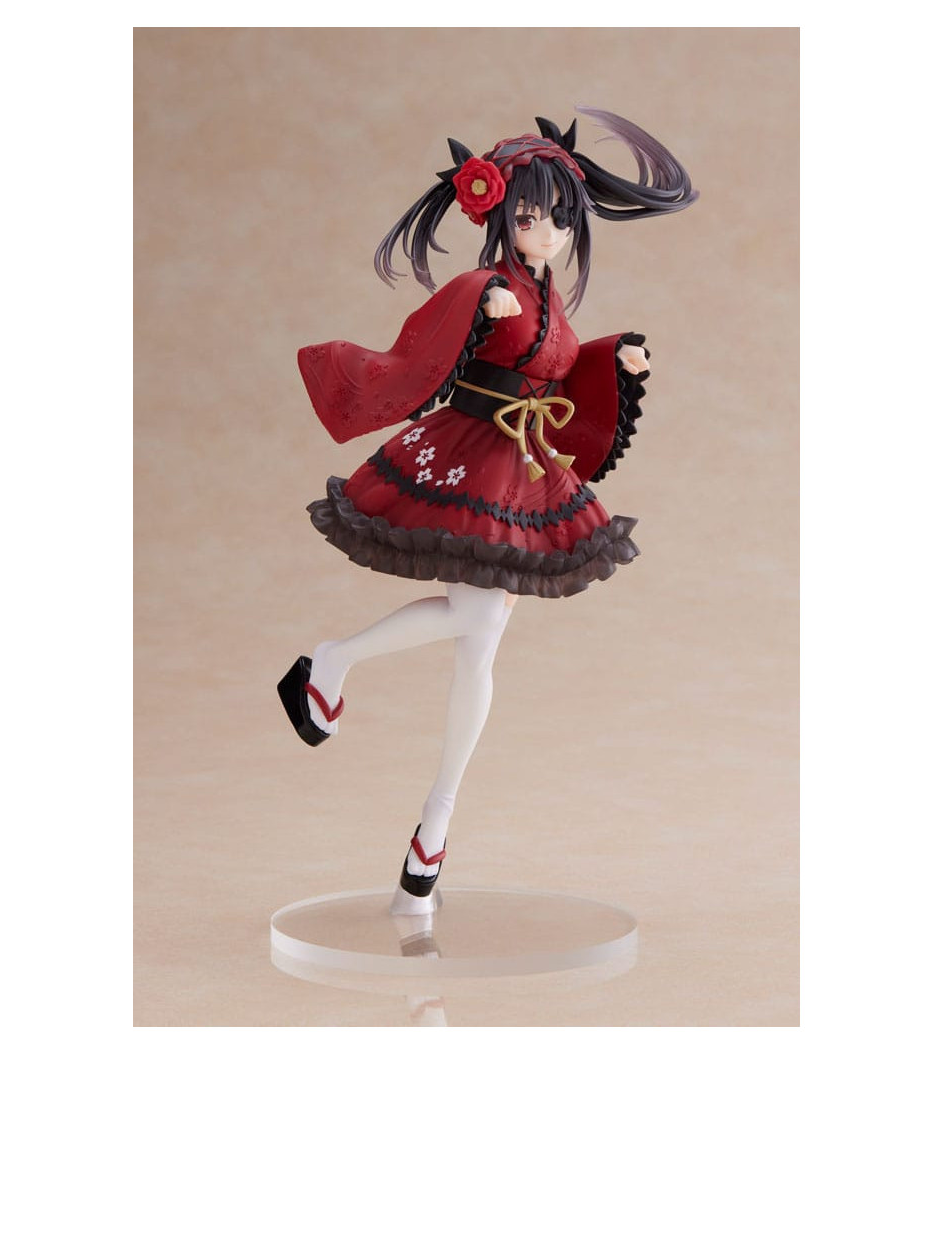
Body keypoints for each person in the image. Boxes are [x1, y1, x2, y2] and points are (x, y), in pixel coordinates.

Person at [279, 107, 697, 914]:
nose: (548, 231)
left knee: (481, 646)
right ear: (500, 213)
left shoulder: (543, 293)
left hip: (521, 462)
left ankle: (431, 834)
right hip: (475, 455)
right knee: (478, 622)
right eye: (531, 215)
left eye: (560, 219)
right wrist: (482, 308)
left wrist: (614, 354)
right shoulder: (492, 286)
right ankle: (334, 665)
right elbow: (431, 343)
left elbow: (555, 365)